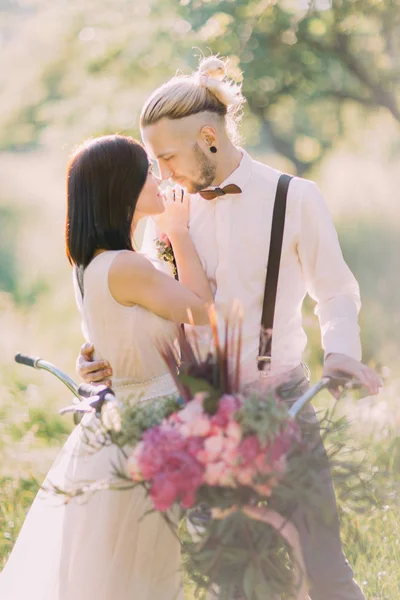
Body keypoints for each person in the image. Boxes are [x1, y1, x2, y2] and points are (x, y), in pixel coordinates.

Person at [78, 56, 382, 600]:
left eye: (167, 157)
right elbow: (151, 305)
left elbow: (335, 290)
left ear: (208, 136)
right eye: (154, 160)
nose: (162, 172)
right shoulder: (167, 214)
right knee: (231, 577)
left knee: (326, 567)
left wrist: (340, 350)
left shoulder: (296, 198)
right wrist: (100, 356)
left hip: (282, 401)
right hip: (195, 416)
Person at [0, 134, 214, 600]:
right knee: (140, 578)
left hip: (117, 432)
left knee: (112, 575)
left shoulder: (91, 264)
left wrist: (91, 355)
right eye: (147, 173)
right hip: (143, 437)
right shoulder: (126, 266)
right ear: (123, 189)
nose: (159, 180)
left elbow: (115, 334)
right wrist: (178, 230)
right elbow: (202, 310)